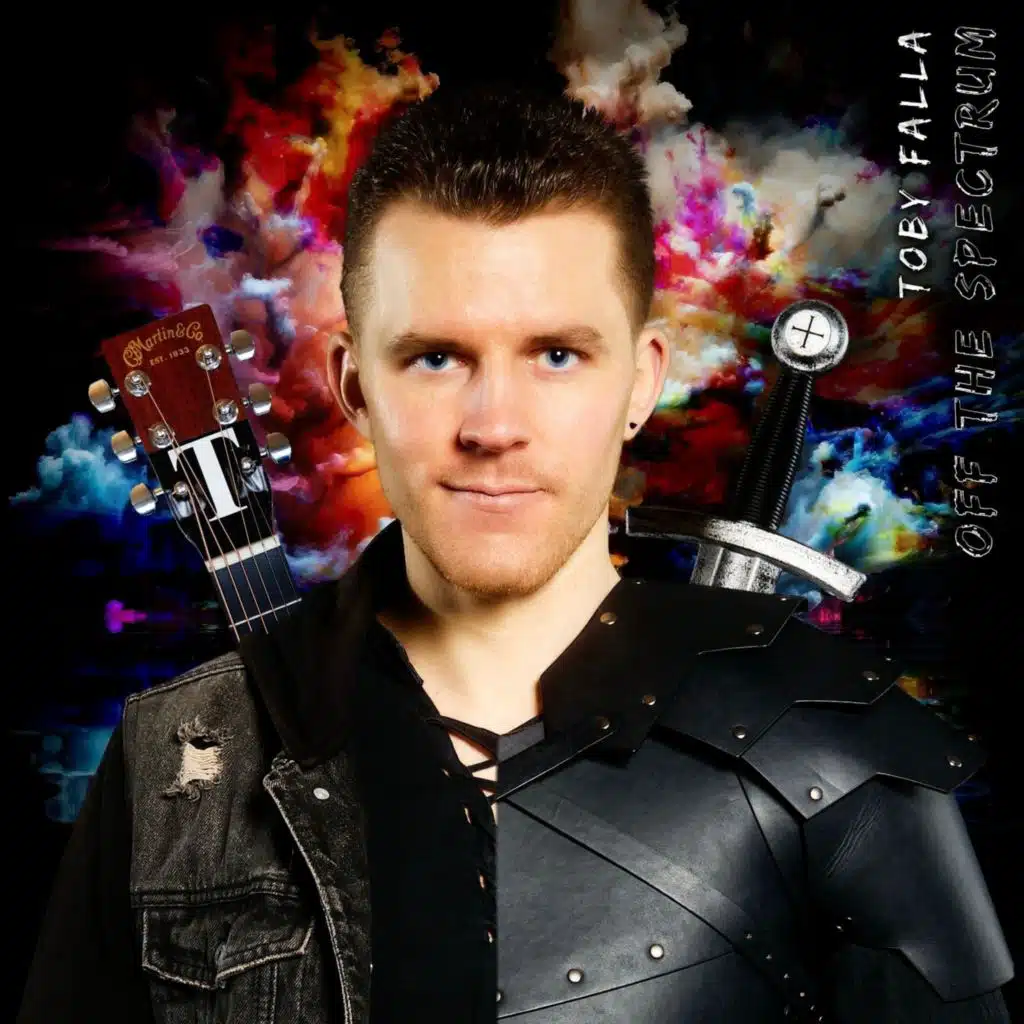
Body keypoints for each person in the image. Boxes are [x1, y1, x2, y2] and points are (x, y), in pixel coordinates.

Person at [18, 81, 1014, 1024]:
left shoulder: (840, 744)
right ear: (356, 386)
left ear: (641, 382)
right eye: (435, 357)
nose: (495, 426)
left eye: (556, 355)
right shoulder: (174, 757)